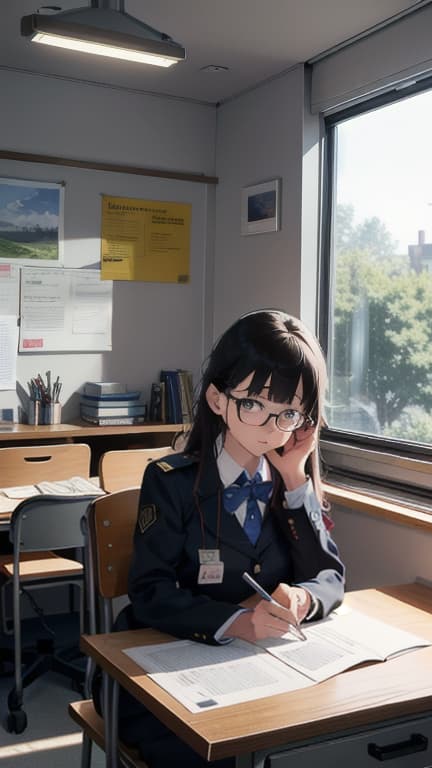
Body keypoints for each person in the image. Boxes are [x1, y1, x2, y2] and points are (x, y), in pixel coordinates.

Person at [109, 309, 345, 768]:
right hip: (167, 677)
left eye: (289, 413)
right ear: (218, 400)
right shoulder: (171, 482)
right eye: (254, 404)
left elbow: (329, 577)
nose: (272, 428)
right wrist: (236, 622)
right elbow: (150, 593)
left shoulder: (287, 479)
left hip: (259, 675)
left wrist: (301, 597)